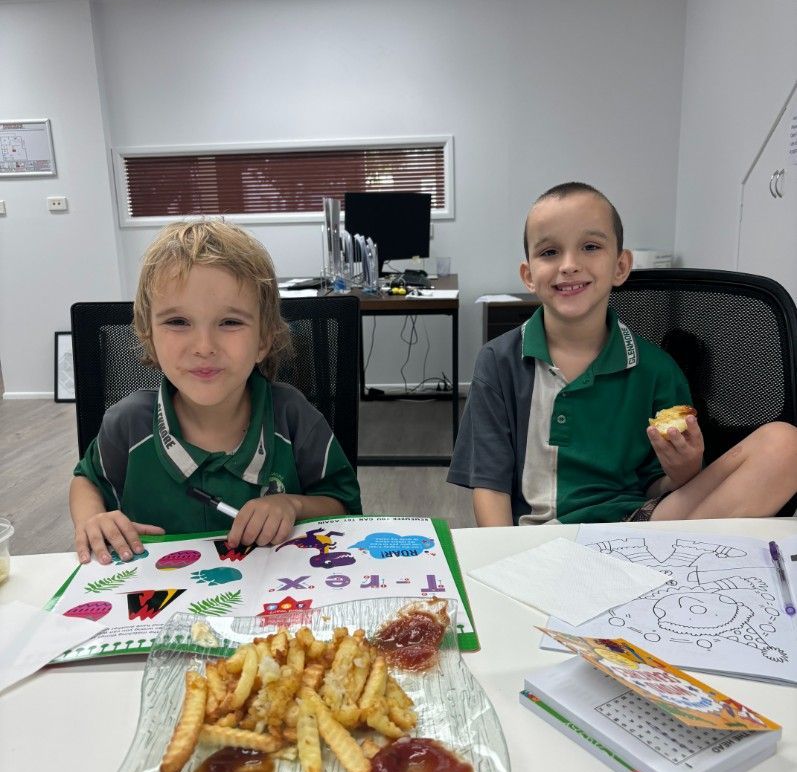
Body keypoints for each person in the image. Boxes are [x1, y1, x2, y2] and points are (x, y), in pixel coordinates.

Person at [448, 181, 797, 526]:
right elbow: (490, 488)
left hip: (635, 530)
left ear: (620, 266)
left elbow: (658, 487)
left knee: (785, 446)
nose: (569, 264)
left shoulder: (658, 370)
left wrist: (684, 470)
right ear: (528, 275)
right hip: (536, 541)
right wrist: (505, 563)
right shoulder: (498, 362)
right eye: (549, 252)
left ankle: (666, 565)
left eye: (590, 246)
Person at [70, 218, 362, 564]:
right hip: (154, 606)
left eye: (230, 322)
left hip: (275, 602)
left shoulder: (292, 417)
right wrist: (92, 519)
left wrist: (292, 504)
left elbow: (343, 505)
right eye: (178, 322)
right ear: (148, 337)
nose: (204, 346)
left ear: (264, 339)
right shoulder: (128, 423)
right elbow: (86, 481)